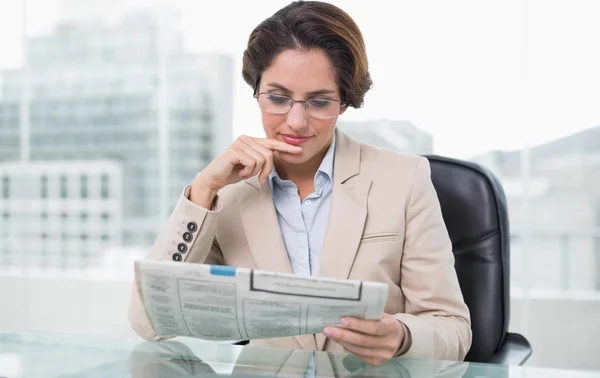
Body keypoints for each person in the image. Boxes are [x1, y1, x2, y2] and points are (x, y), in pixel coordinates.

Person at [128, 0, 472, 365]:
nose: (295, 122)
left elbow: (452, 328)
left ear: (344, 103)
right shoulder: (224, 196)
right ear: (256, 91)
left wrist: (402, 337)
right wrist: (201, 193)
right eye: (277, 98)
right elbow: (149, 323)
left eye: (319, 102)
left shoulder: (404, 180)